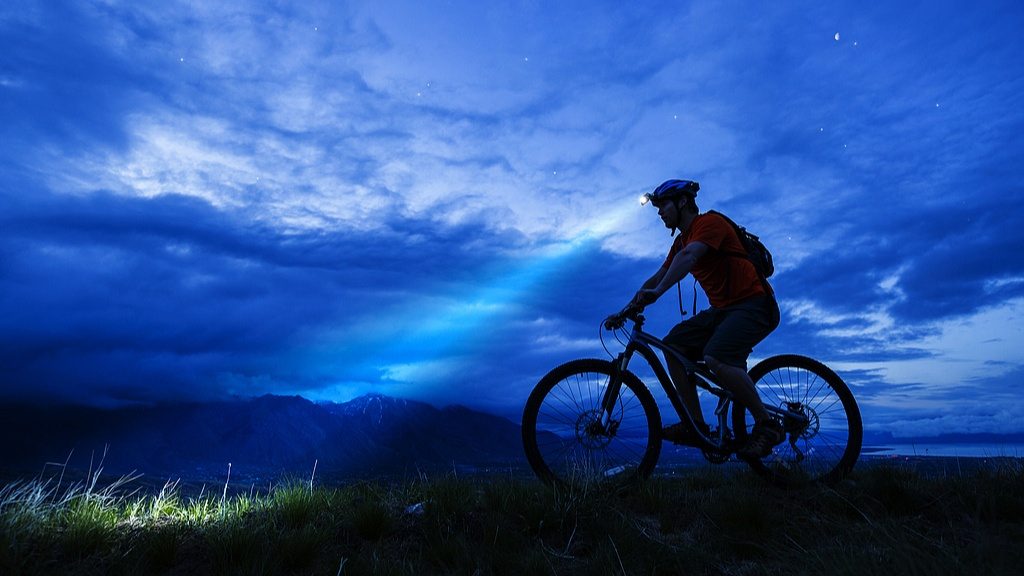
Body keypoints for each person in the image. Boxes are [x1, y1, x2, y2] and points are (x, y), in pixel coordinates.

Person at [615, 179, 783, 459]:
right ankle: (696, 426)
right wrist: (626, 309)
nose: (659, 213)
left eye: (663, 206)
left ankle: (767, 425)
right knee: (673, 346)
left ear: (682, 202)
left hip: (754, 303)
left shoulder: (709, 224)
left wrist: (657, 292)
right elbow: (658, 275)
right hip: (722, 311)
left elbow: (690, 257)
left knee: (716, 357)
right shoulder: (682, 240)